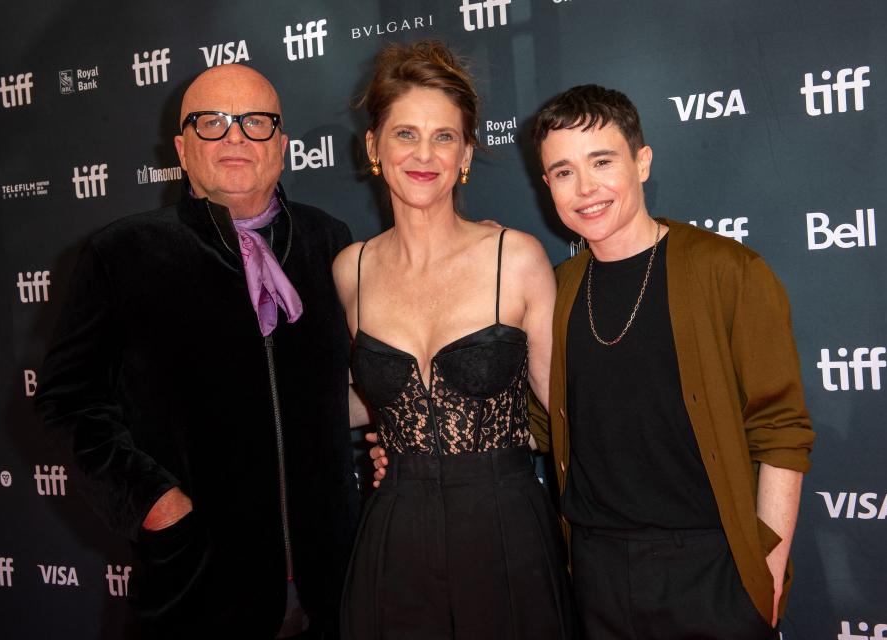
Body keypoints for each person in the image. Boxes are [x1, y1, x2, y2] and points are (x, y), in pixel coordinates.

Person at [35, 64, 359, 639]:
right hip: (199, 592)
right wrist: (156, 504)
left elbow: (359, 384)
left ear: (281, 146)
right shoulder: (123, 253)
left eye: (255, 122)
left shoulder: (330, 242)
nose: (235, 136)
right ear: (183, 150)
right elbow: (67, 401)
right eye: (212, 122)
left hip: (332, 588)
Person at [530, 84, 815, 639]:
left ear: (642, 161)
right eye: (563, 172)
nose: (585, 188)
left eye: (602, 161)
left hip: (714, 565)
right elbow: (540, 424)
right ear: (547, 186)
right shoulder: (554, 291)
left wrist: (767, 566)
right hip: (597, 568)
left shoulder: (727, 270)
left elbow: (780, 428)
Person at [334, 41, 572, 639]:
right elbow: (358, 401)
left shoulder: (513, 258)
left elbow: (566, 407)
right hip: (395, 532)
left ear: (466, 152)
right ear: (374, 147)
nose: (424, 154)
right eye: (405, 134)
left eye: (444, 137)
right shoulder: (350, 270)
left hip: (505, 528)